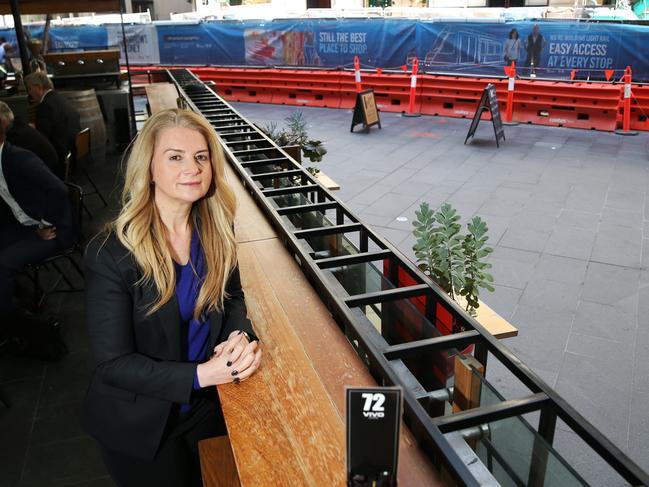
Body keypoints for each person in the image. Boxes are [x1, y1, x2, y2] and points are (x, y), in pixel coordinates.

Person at [81, 108, 262, 487]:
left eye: (200, 157)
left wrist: (239, 338)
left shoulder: (216, 227)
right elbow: (112, 365)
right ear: (148, 168)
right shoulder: (110, 253)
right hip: (141, 425)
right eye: (175, 157)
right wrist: (203, 373)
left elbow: (232, 298)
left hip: (203, 407)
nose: (192, 168)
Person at [0, 116, 76, 331]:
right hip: (25, 223)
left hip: (53, 229)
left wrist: (45, 224)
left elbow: (59, 190)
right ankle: (15, 300)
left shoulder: (19, 158)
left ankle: (12, 323)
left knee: (2, 264)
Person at [24, 70, 80, 165]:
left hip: (59, 158)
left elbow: (42, 138)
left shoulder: (45, 106)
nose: (29, 93)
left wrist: (31, 130)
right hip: (73, 153)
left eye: (29, 89)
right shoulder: (61, 99)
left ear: (38, 87)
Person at [0, 102, 61, 178]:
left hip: (48, 177)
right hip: (53, 171)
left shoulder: (15, 137)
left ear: (1, 121)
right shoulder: (20, 126)